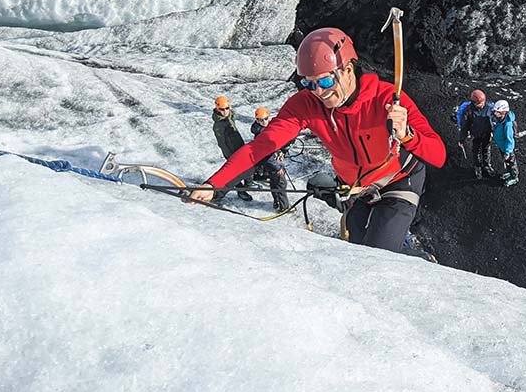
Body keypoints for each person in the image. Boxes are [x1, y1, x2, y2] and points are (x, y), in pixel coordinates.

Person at [189, 28, 446, 259]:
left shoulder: (386, 100)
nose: (318, 92)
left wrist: (407, 135)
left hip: (398, 179)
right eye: (308, 84)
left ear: (347, 70)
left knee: (378, 255)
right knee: (357, 250)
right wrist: (215, 184)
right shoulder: (306, 105)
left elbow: (438, 154)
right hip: (356, 189)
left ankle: (418, 261)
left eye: (324, 81)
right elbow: (261, 147)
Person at [210, 96, 253, 202]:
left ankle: (248, 183)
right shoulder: (218, 125)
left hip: (239, 146)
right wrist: (230, 157)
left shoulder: (229, 116)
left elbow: (232, 114)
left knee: (248, 166)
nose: (225, 111)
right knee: (235, 173)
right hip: (231, 151)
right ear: (217, 109)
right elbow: (222, 143)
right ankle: (240, 191)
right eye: (222, 109)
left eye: (227, 108)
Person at [250, 107, 290, 212]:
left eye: (266, 119)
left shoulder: (265, 129)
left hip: (272, 160)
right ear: (257, 120)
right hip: (271, 162)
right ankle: (284, 207)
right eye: (261, 120)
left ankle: (277, 201)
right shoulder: (261, 134)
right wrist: (277, 167)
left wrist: (281, 152)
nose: (264, 122)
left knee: (274, 182)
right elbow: (266, 155)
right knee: (280, 184)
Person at [458, 89, 496, 179]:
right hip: (476, 135)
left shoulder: (490, 107)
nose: (482, 104)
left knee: (486, 150)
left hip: (487, 134)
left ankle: (487, 165)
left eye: (483, 102)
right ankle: (477, 167)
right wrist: (461, 139)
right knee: (476, 151)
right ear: (474, 102)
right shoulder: (468, 111)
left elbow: (495, 120)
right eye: (480, 103)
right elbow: (464, 126)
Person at [491, 99, 519, 187]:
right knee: (506, 161)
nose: (495, 113)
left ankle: (514, 176)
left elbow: (509, 140)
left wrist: (507, 152)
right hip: (501, 146)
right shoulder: (500, 119)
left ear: (503, 112)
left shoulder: (507, 124)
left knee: (511, 162)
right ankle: (508, 172)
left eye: (497, 111)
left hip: (507, 148)